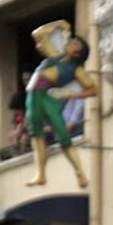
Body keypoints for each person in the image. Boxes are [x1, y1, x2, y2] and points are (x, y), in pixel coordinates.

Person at [25, 20, 97, 188]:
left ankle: (80, 174)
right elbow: (38, 34)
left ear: (78, 52)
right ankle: (41, 173)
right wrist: (62, 25)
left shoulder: (76, 69)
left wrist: (71, 94)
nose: (70, 42)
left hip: (49, 96)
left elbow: (93, 90)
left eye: (75, 43)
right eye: (72, 40)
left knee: (63, 135)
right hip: (33, 96)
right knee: (36, 135)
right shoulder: (55, 54)